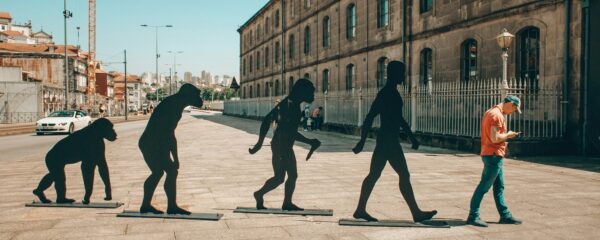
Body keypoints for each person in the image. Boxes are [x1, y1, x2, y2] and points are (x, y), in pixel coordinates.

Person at [352, 61, 437, 222]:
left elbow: (399, 119)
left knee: (375, 175)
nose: (403, 76)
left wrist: (411, 137)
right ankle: (416, 213)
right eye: (401, 72)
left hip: (387, 139)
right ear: (393, 74)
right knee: (402, 174)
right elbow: (370, 116)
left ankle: (360, 209)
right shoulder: (387, 93)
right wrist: (361, 142)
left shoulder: (391, 92)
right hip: (388, 141)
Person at [249, 78, 321, 211]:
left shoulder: (291, 103)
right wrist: (259, 143)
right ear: (302, 92)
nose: (313, 96)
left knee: (286, 176)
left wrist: (310, 141)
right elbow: (270, 121)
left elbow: (289, 131)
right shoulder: (290, 105)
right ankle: (262, 195)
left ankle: (283, 201)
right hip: (281, 146)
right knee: (281, 178)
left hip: (284, 146)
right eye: (311, 92)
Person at [138, 84, 203, 215]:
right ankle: (167, 206)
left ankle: (151, 205)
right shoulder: (173, 105)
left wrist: (174, 157)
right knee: (165, 172)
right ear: (188, 96)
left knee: (162, 172)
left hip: (156, 142)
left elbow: (168, 135)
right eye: (196, 96)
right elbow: (168, 135)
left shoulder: (175, 103)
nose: (199, 99)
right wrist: (175, 158)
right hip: (151, 143)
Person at [466, 95, 523, 227]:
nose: (513, 112)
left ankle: (505, 215)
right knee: (484, 186)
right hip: (493, 155)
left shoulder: (491, 112)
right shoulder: (496, 115)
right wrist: (508, 135)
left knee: (499, 187)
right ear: (510, 104)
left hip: (492, 154)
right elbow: (495, 138)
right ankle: (473, 216)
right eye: (515, 109)